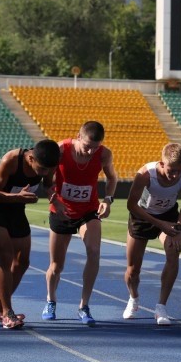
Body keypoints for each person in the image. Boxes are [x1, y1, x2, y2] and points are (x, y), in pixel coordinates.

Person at [41, 121, 118, 327]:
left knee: (94, 251)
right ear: (78, 136)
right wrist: (54, 199)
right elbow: (46, 180)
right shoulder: (60, 150)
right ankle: (50, 300)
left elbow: (112, 178)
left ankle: (84, 306)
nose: (90, 151)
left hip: (88, 210)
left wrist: (108, 200)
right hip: (61, 210)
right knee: (56, 265)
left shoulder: (103, 154)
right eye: (86, 146)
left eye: (95, 147)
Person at [0, 140, 61, 329]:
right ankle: (7, 313)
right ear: (31, 158)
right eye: (42, 169)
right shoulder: (11, 160)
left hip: (17, 210)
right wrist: (16, 197)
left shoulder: (49, 165)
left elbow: (48, 184)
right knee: (5, 258)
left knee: (22, 262)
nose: (45, 172)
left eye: (49, 170)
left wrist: (53, 195)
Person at [122, 143, 181, 325]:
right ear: (161, 163)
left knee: (173, 254)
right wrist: (160, 224)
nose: (174, 176)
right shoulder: (146, 175)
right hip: (142, 216)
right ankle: (133, 298)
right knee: (133, 270)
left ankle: (161, 307)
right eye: (171, 171)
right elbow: (131, 205)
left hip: (169, 215)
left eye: (178, 170)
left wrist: (178, 226)